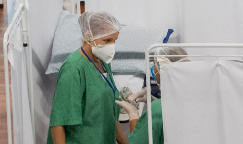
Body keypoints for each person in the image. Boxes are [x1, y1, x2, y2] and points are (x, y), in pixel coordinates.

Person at [48, 11, 125, 144]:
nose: (111, 45)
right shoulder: (74, 68)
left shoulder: (104, 63)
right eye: (107, 40)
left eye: (114, 40)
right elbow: (58, 122)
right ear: (88, 35)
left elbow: (111, 116)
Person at [122, 46, 188, 144]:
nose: (153, 70)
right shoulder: (202, 100)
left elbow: (140, 141)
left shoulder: (156, 110)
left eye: (155, 66)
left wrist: (133, 115)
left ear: (163, 70)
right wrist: (155, 101)